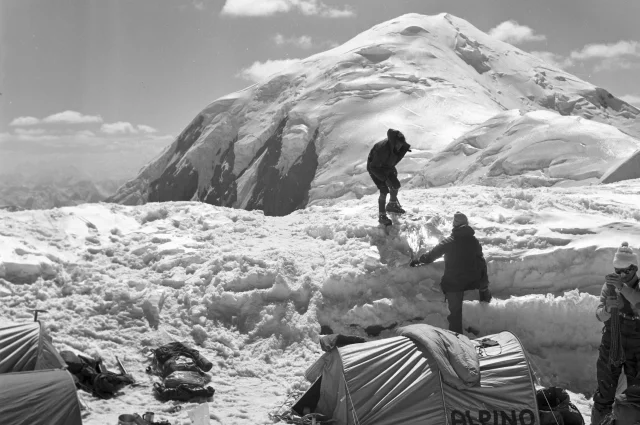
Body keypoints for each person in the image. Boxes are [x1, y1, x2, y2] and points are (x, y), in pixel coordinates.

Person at [410, 212, 491, 333]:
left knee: (455, 313)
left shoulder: (449, 242)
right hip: (473, 281)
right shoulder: (474, 241)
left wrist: (418, 260)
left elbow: (432, 255)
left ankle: (457, 338)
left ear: (454, 225)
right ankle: (485, 302)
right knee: (479, 273)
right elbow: (481, 260)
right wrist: (483, 284)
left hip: (455, 283)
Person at [591, 242, 640, 425]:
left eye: (625, 271)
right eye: (617, 271)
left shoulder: (632, 286)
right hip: (612, 343)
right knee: (604, 393)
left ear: (634, 269)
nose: (620, 275)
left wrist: (623, 289)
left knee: (636, 395)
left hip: (636, 346)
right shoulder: (609, 286)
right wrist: (606, 309)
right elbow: (598, 314)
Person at [366, 128, 412, 226]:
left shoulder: (395, 148)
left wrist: (391, 169)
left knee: (395, 185)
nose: (400, 146)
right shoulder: (382, 150)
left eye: (401, 144)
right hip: (375, 168)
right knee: (384, 190)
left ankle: (392, 205)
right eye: (398, 144)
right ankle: (382, 216)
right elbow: (373, 167)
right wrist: (385, 179)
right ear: (393, 142)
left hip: (386, 166)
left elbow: (391, 159)